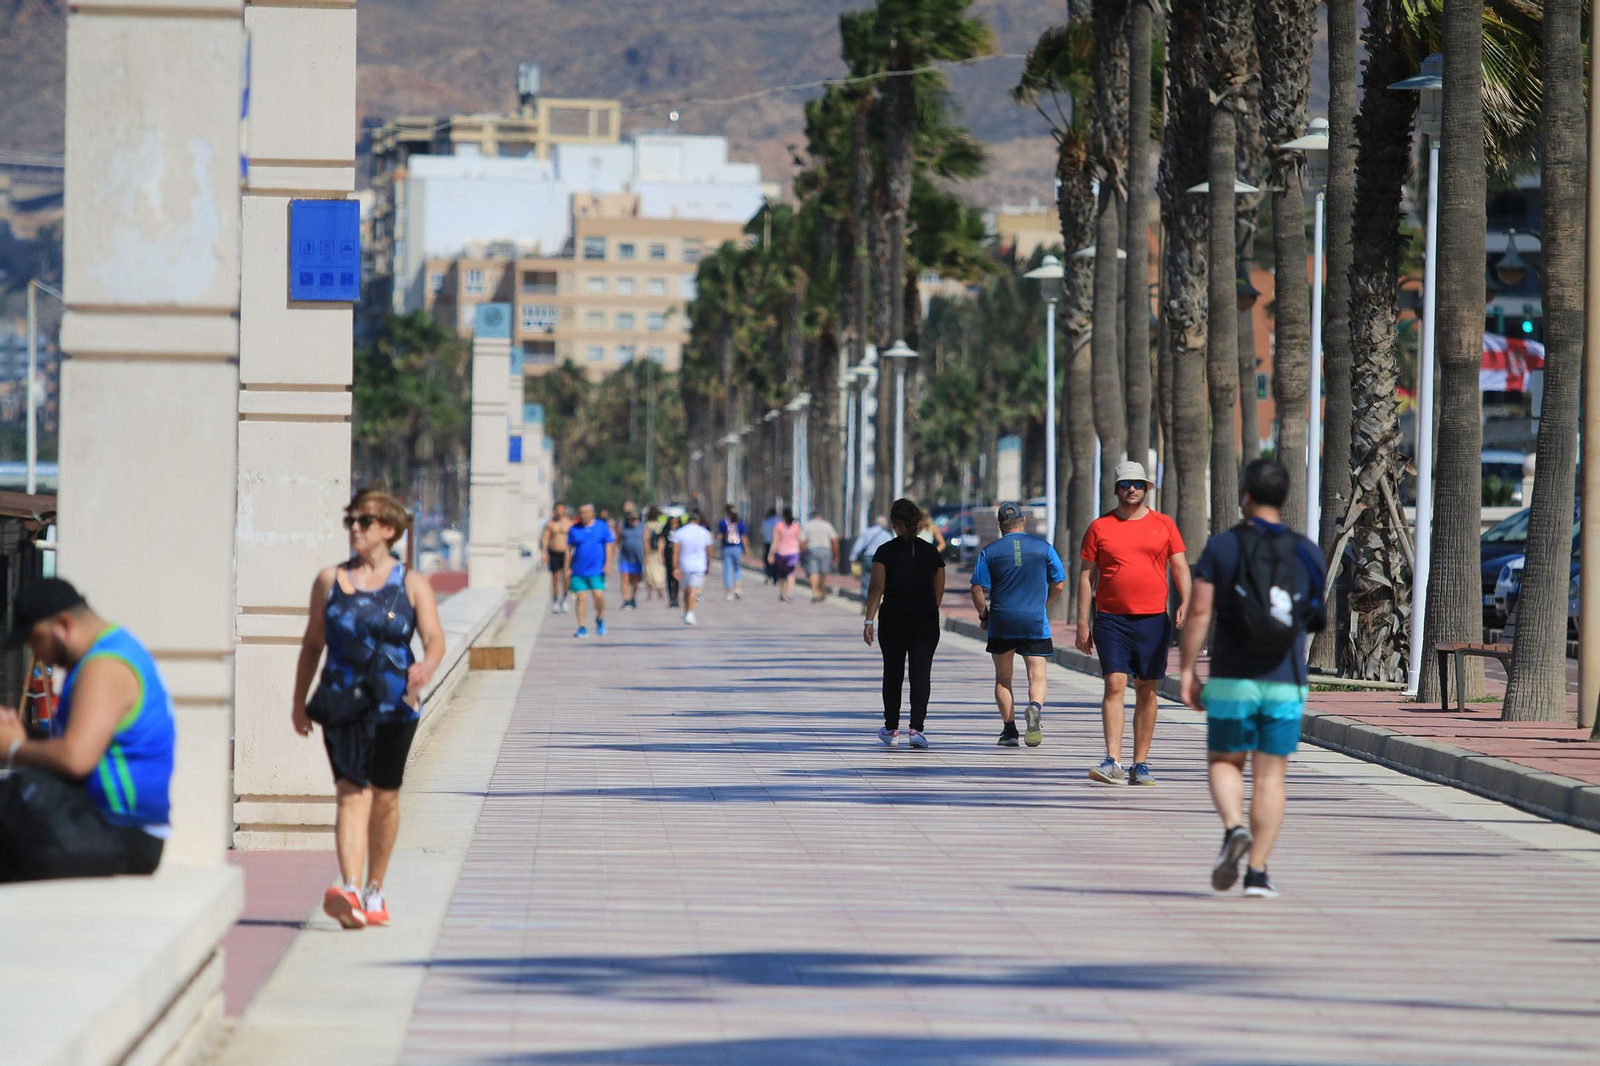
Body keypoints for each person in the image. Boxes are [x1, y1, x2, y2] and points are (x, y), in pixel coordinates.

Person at [292, 489, 447, 928]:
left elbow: (434, 638)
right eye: (351, 521)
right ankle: (351, 889)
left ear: (389, 530)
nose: (355, 529)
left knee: (385, 799)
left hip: (396, 703)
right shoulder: (328, 581)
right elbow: (311, 643)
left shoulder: (412, 584)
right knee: (350, 793)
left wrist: (427, 665)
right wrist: (298, 703)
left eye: (365, 522)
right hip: (342, 701)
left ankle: (375, 888)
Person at [1180, 459, 1326, 899]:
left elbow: (1201, 611)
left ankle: (1233, 828)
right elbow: (1316, 616)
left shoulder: (1223, 547)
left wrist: (1187, 670)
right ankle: (1258, 873)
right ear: (1284, 498)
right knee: (1271, 777)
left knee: (1226, 761)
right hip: (1286, 678)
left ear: (1245, 494)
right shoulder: (1306, 550)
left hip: (1232, 676)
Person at [0, 579, 176, 882]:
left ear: (65, 625)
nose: (37, 654)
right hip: (101, 826)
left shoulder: (104, 666)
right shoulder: (108, 653)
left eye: (36, 639)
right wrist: (22, 736)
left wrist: (15, 748)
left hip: (122, 833)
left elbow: (76, 758)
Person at [1076, 461, 1191, 786]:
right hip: (1111, 619)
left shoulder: (1163, 524)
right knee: (1114, 683)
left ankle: (1140, 764)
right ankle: (1113, 760)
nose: (1132, 489)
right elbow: (1086, 577)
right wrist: (1083, 623)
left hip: (1153, 619)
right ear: (1116, 489)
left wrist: (1186, 602)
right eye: (1125, 484)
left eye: (1138, 484)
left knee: (1147, 690)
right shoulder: (1100, 527)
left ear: (1146, 488)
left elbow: (1180, 567)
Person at [970, 502, 1067, 747]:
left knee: (1003, 678)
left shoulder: (989, 551)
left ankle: (1009, 731)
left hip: (1002, 621)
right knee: (1037, 674)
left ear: (1000, 525)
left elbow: (977, 588)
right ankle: (1034, 707)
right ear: (1024, 522)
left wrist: (984, 615)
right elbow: (1059, 584)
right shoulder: (1043, 547)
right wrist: (1044, 603)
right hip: (1034, 620)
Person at [863, 499, 946, 750]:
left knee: (893, 672)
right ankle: (917, 730)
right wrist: (929, 610)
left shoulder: (885, 551)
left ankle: (891, 728)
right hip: (925, 620)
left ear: (895, 524)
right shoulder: (931, 552)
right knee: (921, 674)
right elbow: (939, 590)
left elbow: (877, 586)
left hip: (893, 619)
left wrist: (869, 618)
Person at [566, 503, 616, 638]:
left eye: (586, 513)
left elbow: (609, 545)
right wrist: (567, 568)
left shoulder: (601, 527)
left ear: (592, 513)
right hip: (578, 570)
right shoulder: (574, 529)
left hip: (596, 570)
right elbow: (569, 549)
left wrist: (608, 563)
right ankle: (581, 627)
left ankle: (600, 619)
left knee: (599, 596)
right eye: (581, 513)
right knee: (581, 598)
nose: (583, 516)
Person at [671, 511, 716, 625]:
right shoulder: (704, 532)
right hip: (699, 564)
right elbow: (709, 550)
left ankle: (688, 612)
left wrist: (675, 566)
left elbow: (675, 551)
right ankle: (689, 612)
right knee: (693, 590)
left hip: (684, 564)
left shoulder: (680, 532)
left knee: (687, 590)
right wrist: (709, 563)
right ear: (698, 521)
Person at [850, 516, 894, 609]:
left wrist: (853, 557)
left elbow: (858, 546)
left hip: (868, 558)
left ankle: (866, 602)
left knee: (866, 579)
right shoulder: (887, 535)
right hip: (882, 559)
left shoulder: (866, 532)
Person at [801, 510, 841, 604]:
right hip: (825, 550)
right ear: (821, 516)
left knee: (813, 572)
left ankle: (815, 592)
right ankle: (822, 592)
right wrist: (836, 555)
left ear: (812, 516)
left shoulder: (807, 526)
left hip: (811, 549)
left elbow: (802, 541)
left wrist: (802, 553)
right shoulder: (827, 525)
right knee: (824, 573)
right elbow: (834, 541)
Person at [542, 504, 574, 613]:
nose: (559, 511)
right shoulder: (550, 524)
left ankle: (564, 598)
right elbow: (545, 539)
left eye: (561, 509)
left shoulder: (569, 523)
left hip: (566, 553)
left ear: (564, 510)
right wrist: (544, 553)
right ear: (555, 510)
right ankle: (555, 601)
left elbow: (573, 538)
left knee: (566, 577)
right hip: (554, 552)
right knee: (555, 578)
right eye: (557, 509)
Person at [767, 509, 803, 602]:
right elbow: (799, 539)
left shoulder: (778, 526)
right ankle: (790, 592)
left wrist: (770, 554)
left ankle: (783, 592)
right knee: (791, 573)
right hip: (794, 552)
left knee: (781, 574)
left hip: (781, 552)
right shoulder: (796, 526)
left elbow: (775, 541)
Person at [717, 506, 748, 601]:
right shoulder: (740, 523)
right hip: (738, 548)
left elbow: (720, 536)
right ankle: (737, 588)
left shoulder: (723, 523)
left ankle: (728, 593)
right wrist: (747, 549)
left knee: (726, 570)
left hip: (726, 548)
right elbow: (744, 537)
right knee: (737, 569)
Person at [618, 511, 646, 609]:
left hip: (637, 558)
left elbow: (646, 542)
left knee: (635, 580)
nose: (633, 521)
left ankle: (633, 598)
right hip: (625, 557)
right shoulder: (623, 527)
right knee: (624, 579)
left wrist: (646, 557)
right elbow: (618, 540)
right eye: (630, 519)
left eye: (635, 519)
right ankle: (626, 600)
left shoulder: (642, 528)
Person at [643, 506, 668, 601]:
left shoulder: (647, 526)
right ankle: (659, 590)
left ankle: (649, 594)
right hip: (658, 553)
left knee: (649, 573)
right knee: (660, 571)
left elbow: (646, 540)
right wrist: (662, 553)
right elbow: (662, 541)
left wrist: (646, 554)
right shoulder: (661, 525)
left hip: (650, 553)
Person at [662, 515, 683, 609]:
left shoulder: (681, 530)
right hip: (668, 555)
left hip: (678, 556)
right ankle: (671, 599)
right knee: (669, 578)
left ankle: (676, 599)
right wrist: (661, 555)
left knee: (677, 578)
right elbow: (662, 542)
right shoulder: (666, 529)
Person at [760, 508, 781, 585]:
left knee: (767, 560)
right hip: (777, 543)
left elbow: (762, 533)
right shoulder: (779, 521)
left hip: (767, 543)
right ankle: (775, 576)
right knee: (776, 560)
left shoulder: (766, 522)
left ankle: (768, 575)